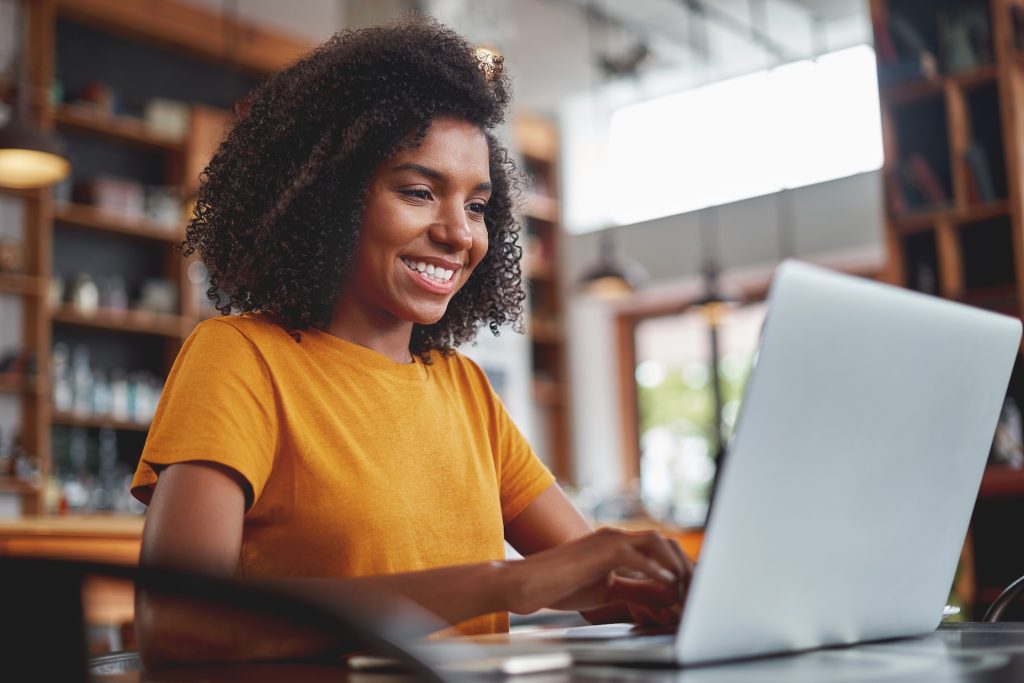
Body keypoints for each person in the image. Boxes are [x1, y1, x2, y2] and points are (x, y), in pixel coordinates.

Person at [130, 15, 691, 666]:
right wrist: (503, 582)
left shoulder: (463, 388)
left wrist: (687, 592)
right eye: (420, 191)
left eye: (478, 205)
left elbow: (606, 589)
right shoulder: (241, 358)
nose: (460, 233)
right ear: (329, 199)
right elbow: (177, 626)